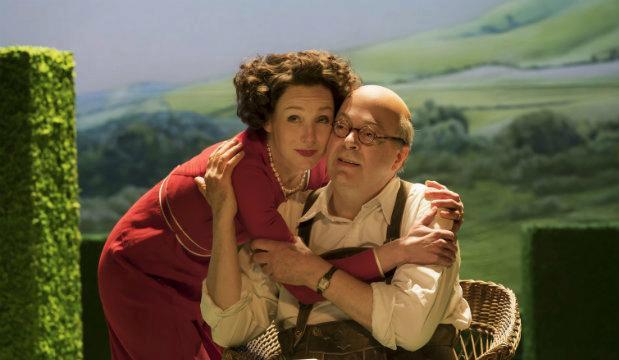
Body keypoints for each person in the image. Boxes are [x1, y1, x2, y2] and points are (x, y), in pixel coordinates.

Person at [98, 51, 460, 360]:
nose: (312, 136)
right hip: (143, 270)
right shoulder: (247, 173)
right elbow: (299, 279)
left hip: (203, 272)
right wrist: (393, 253)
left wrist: (440, 205)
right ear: (267, 121)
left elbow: (370, 182)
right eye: (294, 118)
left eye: (324, 119)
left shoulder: (320, 161)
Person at [199, 85, 471, 359]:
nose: (349, 141)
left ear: (399, 156)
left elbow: (409, 330)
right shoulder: (291, 214)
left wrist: (311, 271)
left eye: (368, 134)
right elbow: (231, 329)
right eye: (341, 127)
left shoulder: (429, 209)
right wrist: (223, 216)